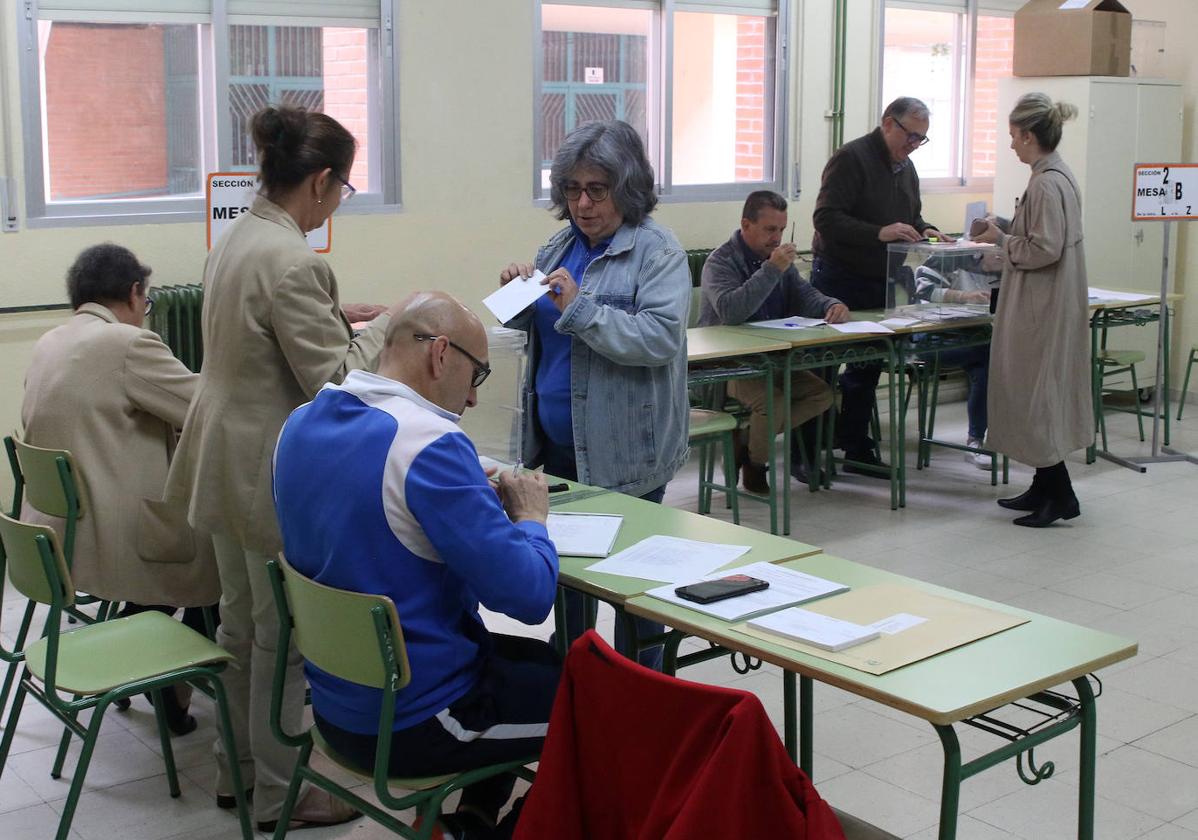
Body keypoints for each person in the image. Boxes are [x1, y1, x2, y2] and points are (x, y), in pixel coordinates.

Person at [165, 105, 390, 831]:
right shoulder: (294, 259)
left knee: (237, 627)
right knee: (280, 638)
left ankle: (239, 775)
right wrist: (390, 323)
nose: (338, 203)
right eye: (343, 189)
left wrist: (335, 314)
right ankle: (276, 795)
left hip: (219, 455)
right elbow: (335, 382)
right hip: (263, 468)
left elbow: (264, 337)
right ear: (321, 181)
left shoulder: (243, 236)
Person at [273, 292, 559, 840]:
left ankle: (469, 821)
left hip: (338, 706)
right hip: (422, 719)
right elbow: (528, 597)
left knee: (539, 662)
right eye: (477, 376)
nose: (473, 401)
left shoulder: (301, 423)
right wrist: (530, 519)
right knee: (599, 705)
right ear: (441, 355)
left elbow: (367, 516)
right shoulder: (430, 445)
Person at [499, 120, 690, 669]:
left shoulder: (657, 253)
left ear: (627, 189)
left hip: (625, 452)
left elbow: (658, 339)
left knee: (635, 584)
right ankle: (577, 680)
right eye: (571, 190)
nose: (582, 203)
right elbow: (531, 334)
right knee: (571, 576)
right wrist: (516, 292)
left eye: (597, 190)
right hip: (558, 449)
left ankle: (649, 690)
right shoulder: (558, 244)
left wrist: (579, 307)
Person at [21, 243, 219, 736]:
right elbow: (205, 407)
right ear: (134, 293)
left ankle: (147, 650)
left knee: (201, 542)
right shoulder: (127, 344)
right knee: (230, 555)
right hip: (114, 539)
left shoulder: (51, 341)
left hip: (58, 539)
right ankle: (171, 680)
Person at [811, 96, 948, 476]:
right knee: (821, 367)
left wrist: (926, 230)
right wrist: (879, 233)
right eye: (911, 135)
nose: (914, 144)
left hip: (879, 280)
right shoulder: (851, 158)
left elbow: (911, 216)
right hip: (838, 277)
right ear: (889, 123)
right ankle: (807, 452)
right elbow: (825, 218)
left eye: (922, 139)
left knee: (867, 367)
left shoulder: (907, 168)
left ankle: (855, 445)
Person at [974, 93, 1093, 527]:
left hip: (1041, 304)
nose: (1010, 146)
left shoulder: (1046, 181)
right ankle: (1045, 486)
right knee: (1036, 394)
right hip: (1050, 299)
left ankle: (1059, 494)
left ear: (1028, 135)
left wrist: (1001, 241)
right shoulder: (1055, 174)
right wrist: (1009, 228)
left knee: (1035, 394)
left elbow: (1044, 247)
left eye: (1012, 137)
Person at [698, 190, 848, 491]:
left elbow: (805, 295)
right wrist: (771, 269)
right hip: (727, 364)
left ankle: (747, 439)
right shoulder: (721, 262)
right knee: (773, 401)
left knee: (822, 394)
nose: (776, 238)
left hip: (771, 358)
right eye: (769, 229)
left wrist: (830, 304)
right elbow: (731, 311)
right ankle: (756, 465)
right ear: (746, 224)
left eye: (781, 229)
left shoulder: (778, 261)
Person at [909, 249, 1000, 469]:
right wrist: (963, 296)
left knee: (987, 362)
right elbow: (923, 288)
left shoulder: (1001, 269)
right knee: (991, 354)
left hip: (973, 336)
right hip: (931, 337)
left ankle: (976, 440)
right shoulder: (951, 258)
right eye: (996, 255)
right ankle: (976, 439)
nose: (999, 262)